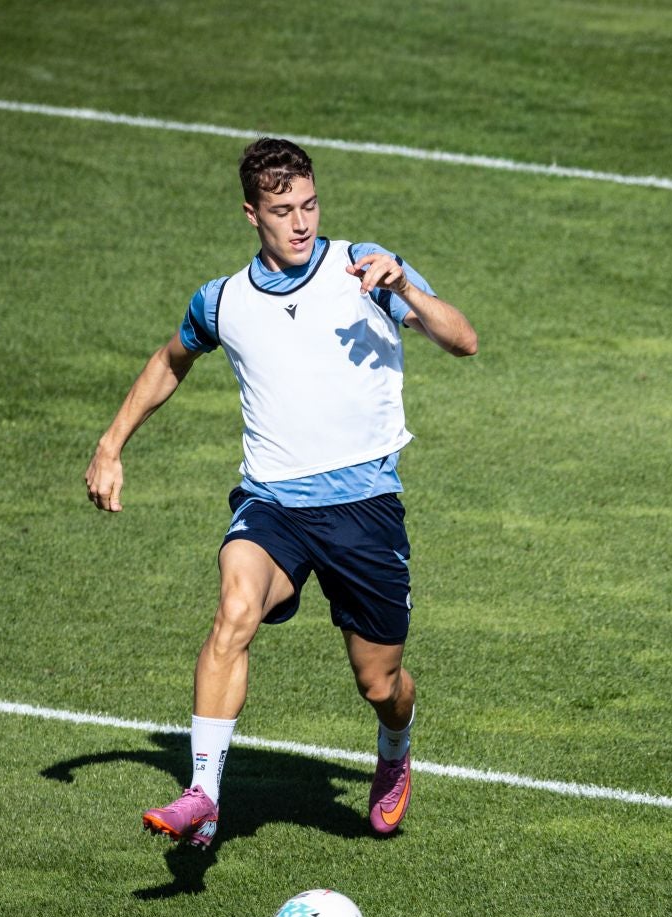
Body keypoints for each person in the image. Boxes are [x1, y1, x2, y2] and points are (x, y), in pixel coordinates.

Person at [85, 137, 477, 849]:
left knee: (379, 684)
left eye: (310, 205)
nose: (301, 223)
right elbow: (171, 360)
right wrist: (111, 445)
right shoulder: (223, 300)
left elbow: (465, 340)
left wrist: (406, 291)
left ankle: (395, 749)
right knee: (233, 610)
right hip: (273, 504)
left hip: (364, 508)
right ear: (250, 214)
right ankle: (203, 794)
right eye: (282, 210)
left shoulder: (364, 267)